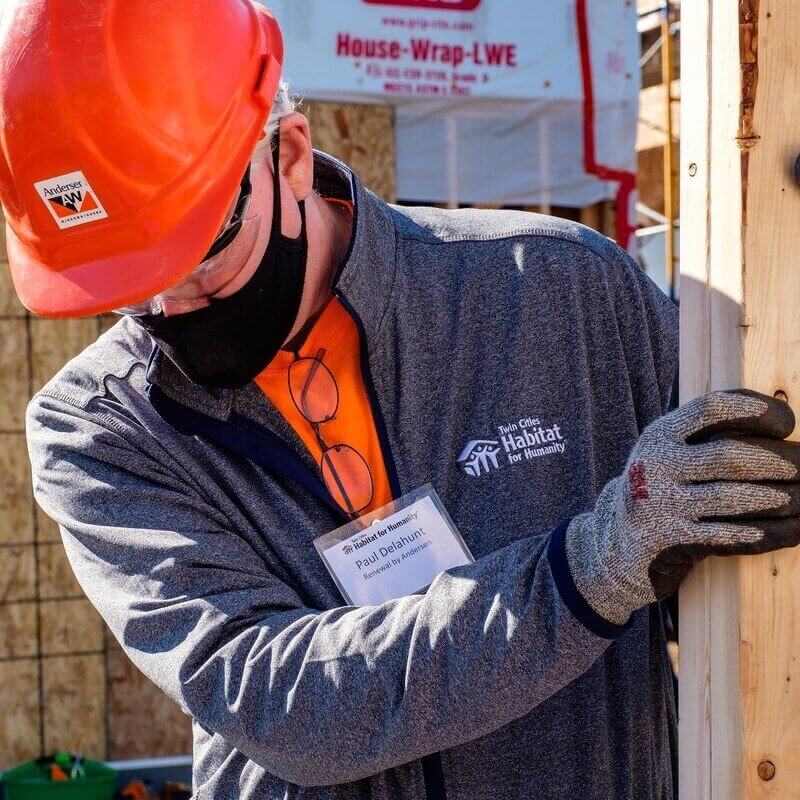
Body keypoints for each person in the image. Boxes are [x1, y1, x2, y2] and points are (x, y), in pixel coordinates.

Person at [4, 2, 800, 798]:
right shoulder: (100, 431)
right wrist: (589, 570)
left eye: (202, 248)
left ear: (287, 155)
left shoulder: (561, 291)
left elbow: (760, 539)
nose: (172, 308)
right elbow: (282, 703)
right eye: (127, 283)